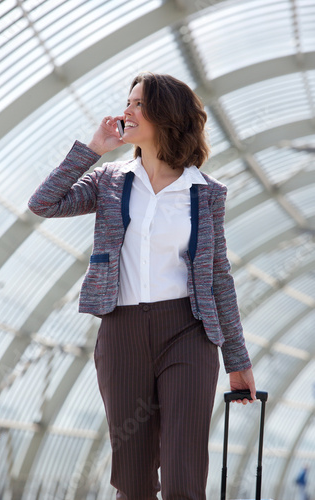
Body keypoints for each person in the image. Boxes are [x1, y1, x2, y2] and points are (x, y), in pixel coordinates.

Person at [28, 73, 256, 500]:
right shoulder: (110, 181)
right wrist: (94, 150)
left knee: (183, 474)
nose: (126, 110)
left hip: (188, 334)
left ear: (166, 115)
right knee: (131, 479)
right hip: (122, 334)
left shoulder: (206, 193)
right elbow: (44, 202)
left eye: (138, 104)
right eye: (128, 101)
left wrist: (237, 360)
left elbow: (219, 276)